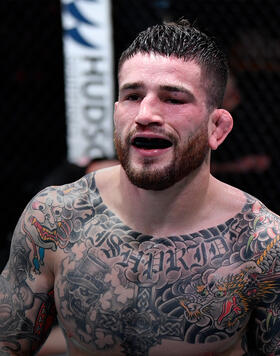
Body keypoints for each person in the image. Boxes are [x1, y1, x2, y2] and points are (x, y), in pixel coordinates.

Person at [1, 19, 280, 356]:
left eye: (173, 99)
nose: (146, 113)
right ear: (116, 111)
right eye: (132, 95)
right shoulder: (55, 218)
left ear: (217, 127)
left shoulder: (262, 244)